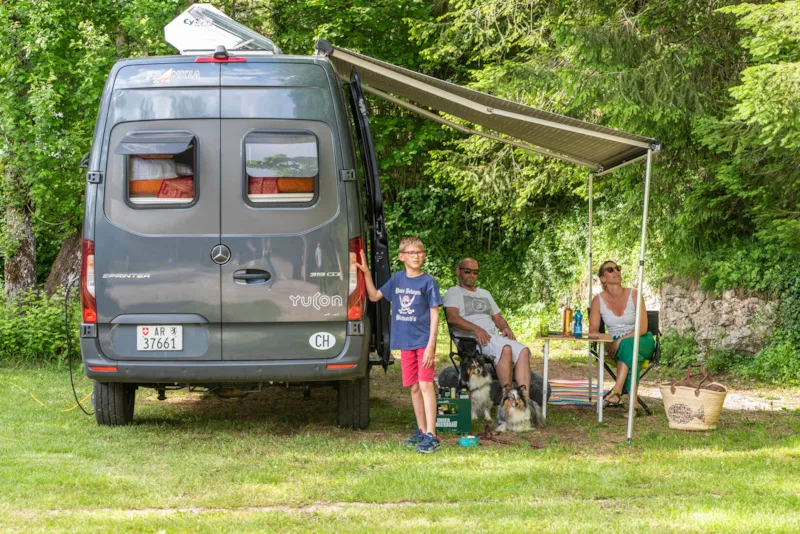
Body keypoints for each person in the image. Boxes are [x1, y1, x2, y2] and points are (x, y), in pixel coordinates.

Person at [357, 236, 443, 453]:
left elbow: (435, 314)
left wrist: (431, 345)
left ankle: (432, 434)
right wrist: (366, 272)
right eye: (412, 253)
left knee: (425, 385)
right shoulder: (397, 279)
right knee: (414, 387)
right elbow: (375, 296)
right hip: (405, 342)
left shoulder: (428, 282)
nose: (417, 256)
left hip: (423, 341)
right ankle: (422, 431)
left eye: (420, 252)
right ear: (402, 256)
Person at [443, 257, 532, 395]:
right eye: (467, 271)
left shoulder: (485, 293)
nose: (471, 275)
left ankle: (524, 400)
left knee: (524, 351)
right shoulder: (454, 292)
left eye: (475, 272)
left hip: (493, 336)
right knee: (506, 349)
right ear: (458, 271)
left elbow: (498, 317)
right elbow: (452, 317)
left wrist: (505, 328)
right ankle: (507, 397)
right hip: (471, 339)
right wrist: (476, 328)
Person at [589, 260, 655, 414]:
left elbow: (643, 328)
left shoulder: (635, 294)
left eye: (617, 268)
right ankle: (633, 406)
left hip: (642, 340)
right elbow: (593, 330)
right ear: (602, 278)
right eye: (610, 270)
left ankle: (617, 390)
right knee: (631, 355)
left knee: (627, 345)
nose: (616, 271)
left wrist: (619, 340)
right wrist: (608, 343)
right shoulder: (598, 300)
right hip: (615, 346)